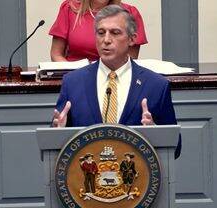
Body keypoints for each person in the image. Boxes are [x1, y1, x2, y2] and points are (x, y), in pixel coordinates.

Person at [52, 5, 181, 159]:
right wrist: (58, 130)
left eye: (115, 33)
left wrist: (155, 131)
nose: (106, 40)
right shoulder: (73, 83)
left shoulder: (156, 85)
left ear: (132, 39)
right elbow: (52, 142)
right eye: (101, 33)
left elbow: (176, 147)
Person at [49, 0, 147, 62]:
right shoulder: (69, 8)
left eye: (115, 32)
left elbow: (130, 59)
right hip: (74, 75)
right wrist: (74, 76)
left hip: (112, 77)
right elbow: (56, 54)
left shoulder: (129, 13)